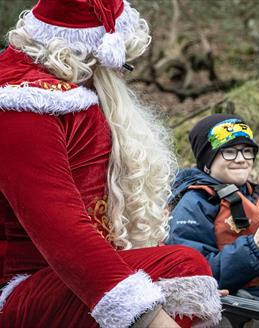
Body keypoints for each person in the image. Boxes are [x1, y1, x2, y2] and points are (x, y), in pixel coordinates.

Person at [0, 1, 223, 327]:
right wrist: (150, 316)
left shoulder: (69, 94)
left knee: (184, 269)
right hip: (20, 290)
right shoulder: (22, 105)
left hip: (57, 280)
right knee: (182, 269)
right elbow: (64, 235)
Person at [166, 113, 259, 306]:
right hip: (232, 307)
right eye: (230, 152)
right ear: (207, 161)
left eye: (247, 151)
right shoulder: (194, 204)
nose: (241, 159)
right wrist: (255, 249)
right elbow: (193, 275)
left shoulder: (258, 195)